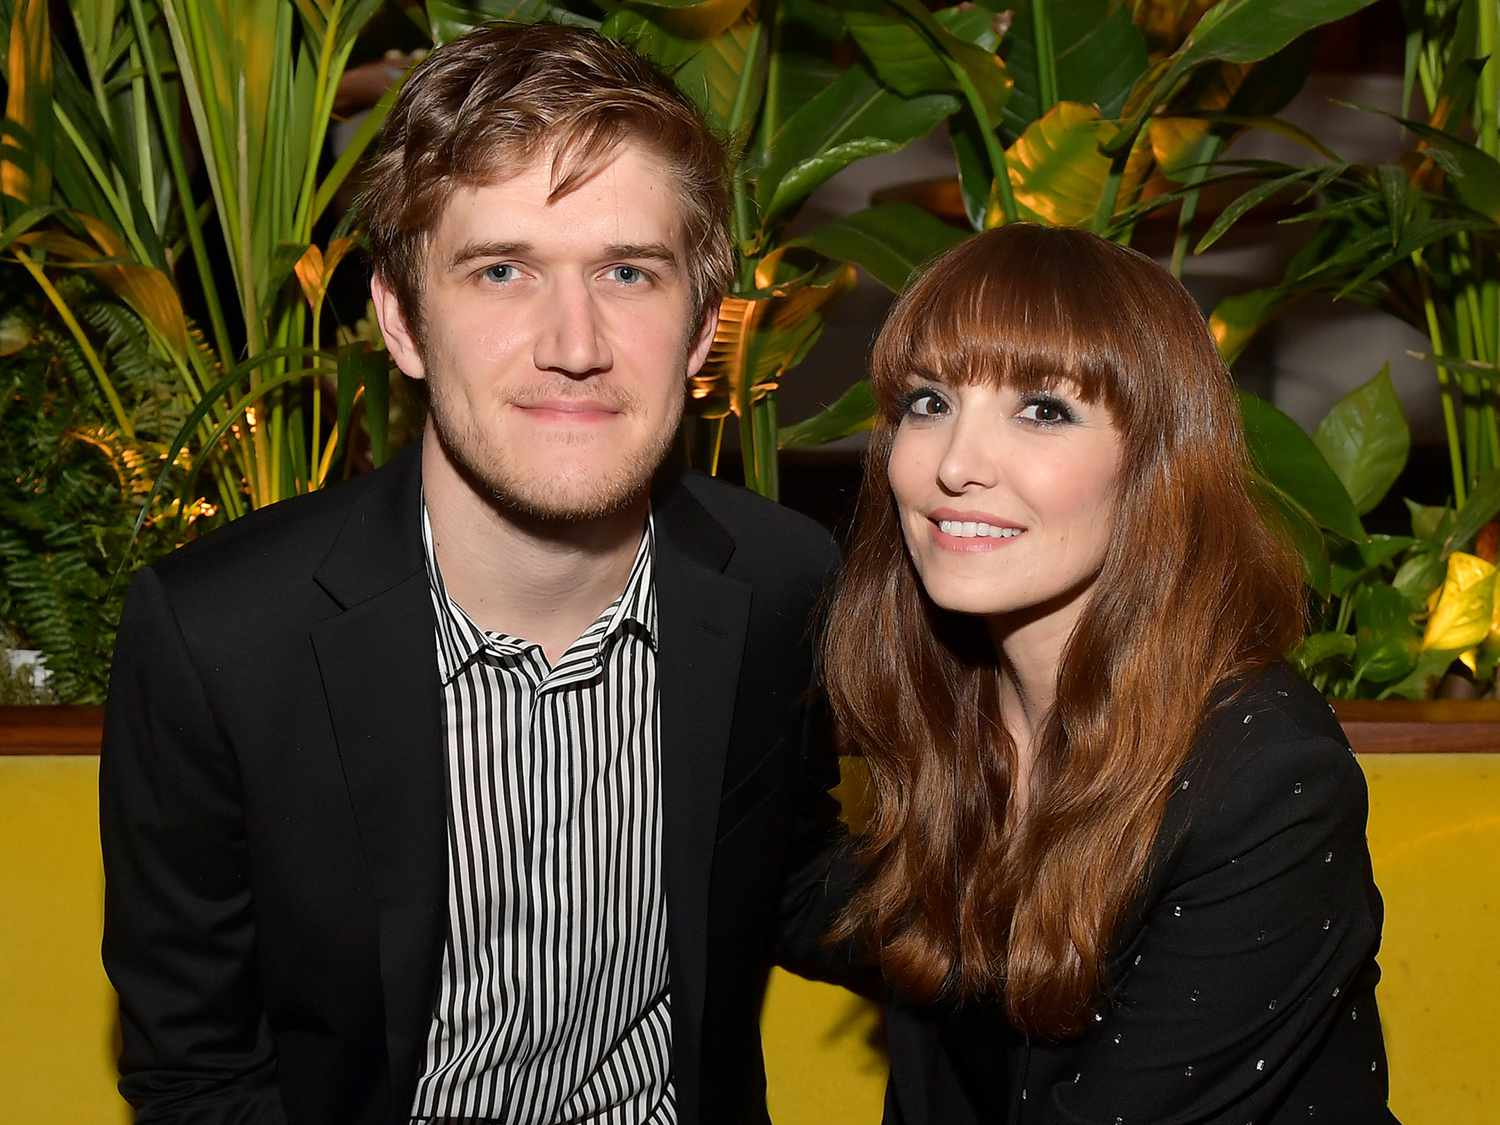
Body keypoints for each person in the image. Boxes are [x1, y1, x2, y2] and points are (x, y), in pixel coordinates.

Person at [99, 22, 844, 1125]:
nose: (574, 342)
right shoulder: (221, 639)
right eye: (501, 271)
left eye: (628, 272)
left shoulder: (781, 581)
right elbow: (195, 1069)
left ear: (699, 330)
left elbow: (788, 869)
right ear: (400, 321)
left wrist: (1063, 886)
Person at [819, 224, 1396, 1123]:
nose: (954, 466)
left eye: (1043, 409)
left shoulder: (1263, 775)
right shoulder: (946, 714)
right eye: (928, 403)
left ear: (1158, 466)